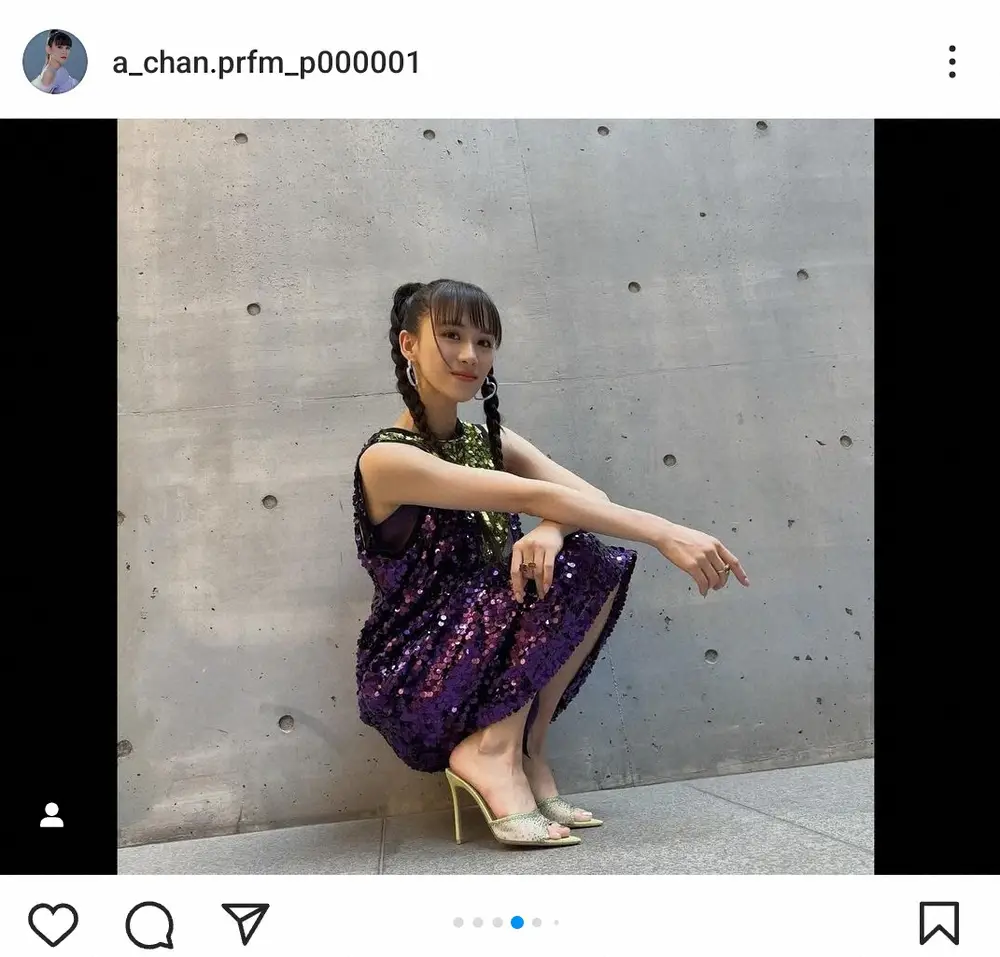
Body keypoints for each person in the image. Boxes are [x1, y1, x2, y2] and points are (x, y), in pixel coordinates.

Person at [353, 279, 749, 848]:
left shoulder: (491, 440)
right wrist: (665, 532)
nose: (470, 355)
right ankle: (491, 754)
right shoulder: (387, 458)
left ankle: (526, 752)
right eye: (451, 335)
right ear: (408, 344)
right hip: (414, 671)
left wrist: (549, 530)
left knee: (588, 557)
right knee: (572, 561)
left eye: (484, 342)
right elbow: (535, 494)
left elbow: (589, 499)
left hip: (480, 650)